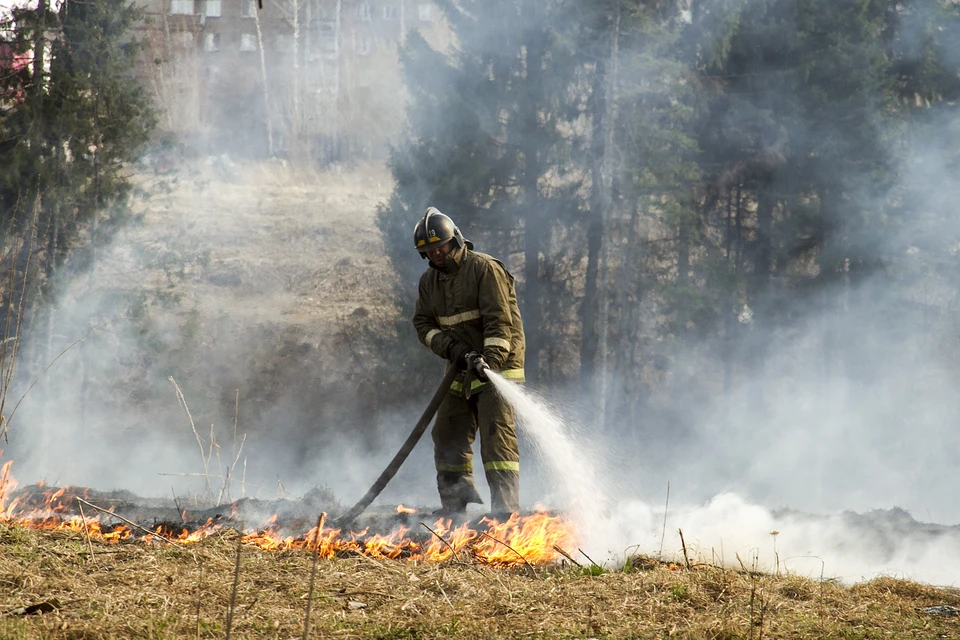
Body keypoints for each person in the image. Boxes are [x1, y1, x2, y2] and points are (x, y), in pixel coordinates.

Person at [412, 207, 525, 516]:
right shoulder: (429, 283)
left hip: (497, 367)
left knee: (495, 439)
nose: (436, 253)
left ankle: (505, 514)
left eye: (440, 247)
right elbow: (423, 324)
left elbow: (500, 323)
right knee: (447, 432)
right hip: (460, 369)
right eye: (429, 251)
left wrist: (490, 361)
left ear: (455, 240)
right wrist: (452, 349)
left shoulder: (484, 269)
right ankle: (455, 507)